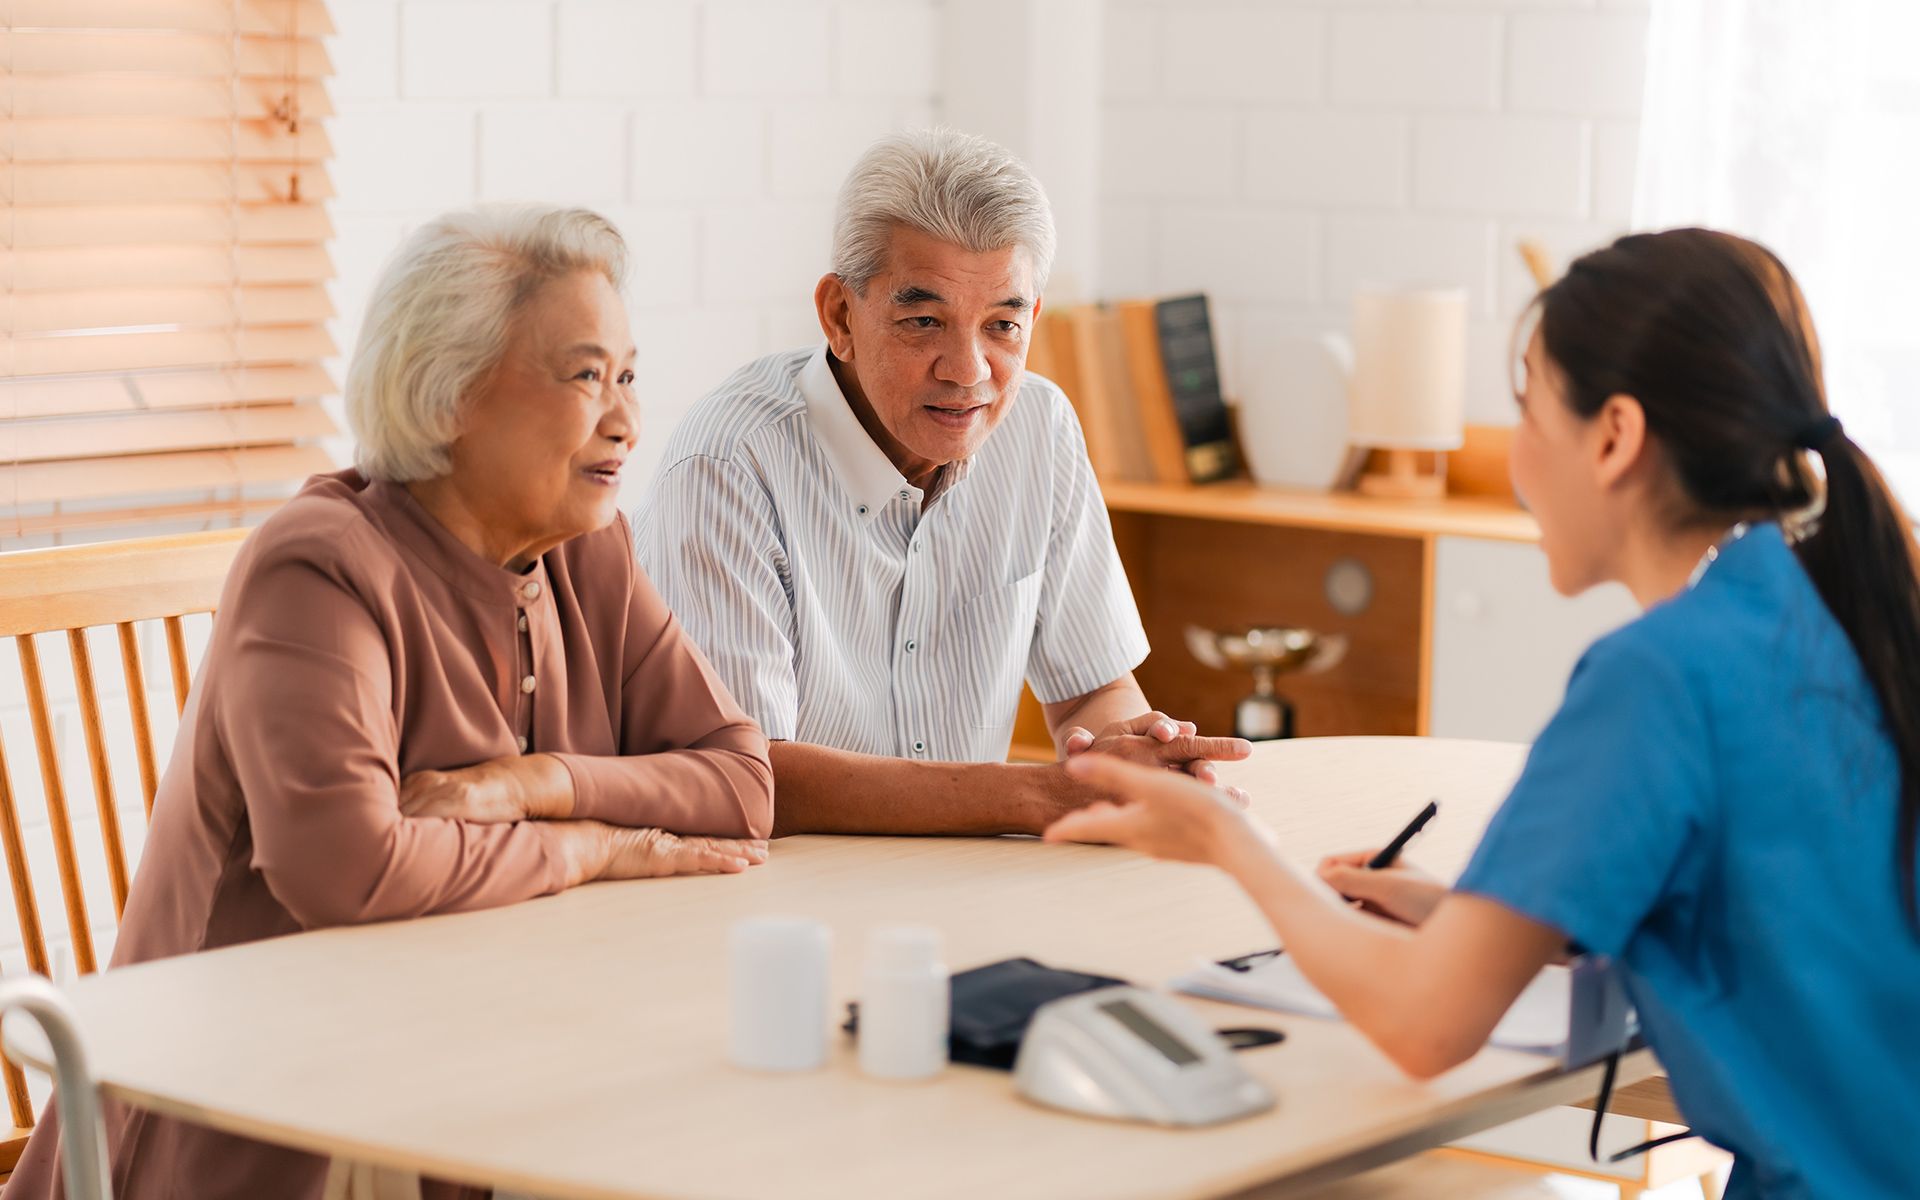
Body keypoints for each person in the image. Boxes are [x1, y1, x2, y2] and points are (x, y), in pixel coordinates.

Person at [1044, 229, 1920, 1198]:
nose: (1513, 463)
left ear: (1616, 436)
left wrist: (1231, 846)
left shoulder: (1660, 679)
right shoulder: (1828, 615)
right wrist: (1475, 918)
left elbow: (1426, 1028)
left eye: (1526, 413)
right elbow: (1772, 903)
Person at [4, 205, 774, 1200]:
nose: (625, 419)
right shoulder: (319, 567)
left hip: (476, 1099)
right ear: (446, 392)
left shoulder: (590, 548)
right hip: (248, 1133)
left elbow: (740, 781)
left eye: (628, 375)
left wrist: (538, 785)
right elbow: (348, 869)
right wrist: (594, 846)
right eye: (586, 376)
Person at [635, 129, 1248, 837]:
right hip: (779, 894)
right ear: (840, 315)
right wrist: (1044, 798)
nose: (968, 370)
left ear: (1032, 320)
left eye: (1001, 326)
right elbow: (746, 776)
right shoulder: (728, 467)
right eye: (924, 321)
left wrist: (1133, 764)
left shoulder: (1039, 427)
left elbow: (1093, 692)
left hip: (965, 885)